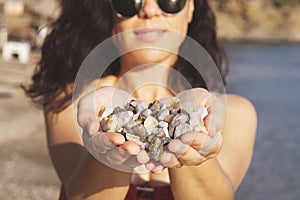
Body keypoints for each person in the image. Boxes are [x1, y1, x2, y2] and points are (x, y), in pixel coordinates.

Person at [24, 0, 257, 199]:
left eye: (169, 0)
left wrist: (193, 134)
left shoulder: (232, 113)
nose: (149, 10)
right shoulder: (72, 102)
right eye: (130, 1)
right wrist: (110, 147)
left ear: (191, 8)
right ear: (108, 9)